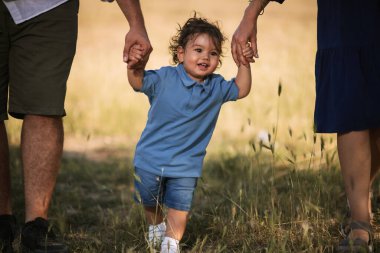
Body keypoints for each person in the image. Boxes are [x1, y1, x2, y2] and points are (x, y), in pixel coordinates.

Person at [0, 0, 151, 252]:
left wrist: (135, 22)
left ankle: (36, 225)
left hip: (46, 7)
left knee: (44, 104)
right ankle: (2, 220)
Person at [232, 0, 380, 252]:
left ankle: (361, 209)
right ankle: (360, 221)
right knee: (349, 100)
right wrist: (252, 11)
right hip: (346, 14)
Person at [127, 15, 253, 253]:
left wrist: (244, 63)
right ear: (181, 53)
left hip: (186, 164)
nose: (205, 57)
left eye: (213, 53)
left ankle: (171, 243)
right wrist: (134, 66)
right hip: (150, 159)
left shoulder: (216, 87)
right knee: (148, 199)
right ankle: (155, 225)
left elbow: (242, 88)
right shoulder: (165, 78)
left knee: (179, 206)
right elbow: (137, 82)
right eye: (198, 50)